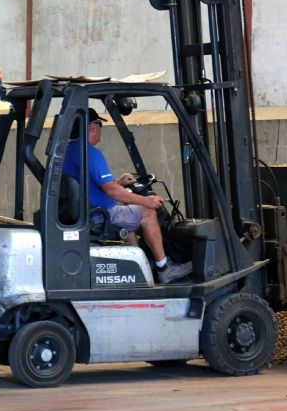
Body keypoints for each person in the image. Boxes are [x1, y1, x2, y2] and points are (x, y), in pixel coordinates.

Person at [62, 108, 192, 284]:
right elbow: (111, 192)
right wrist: (146, 200)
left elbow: (93, 186)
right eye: (100, 125)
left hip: (86, 211)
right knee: (147, 212)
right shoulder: (90, 153)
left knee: (129, 214)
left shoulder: (66, 151)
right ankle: (164, 268)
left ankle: (137, 267)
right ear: (92, 127)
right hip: (99, 215)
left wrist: (119, 182)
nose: (100, 129)